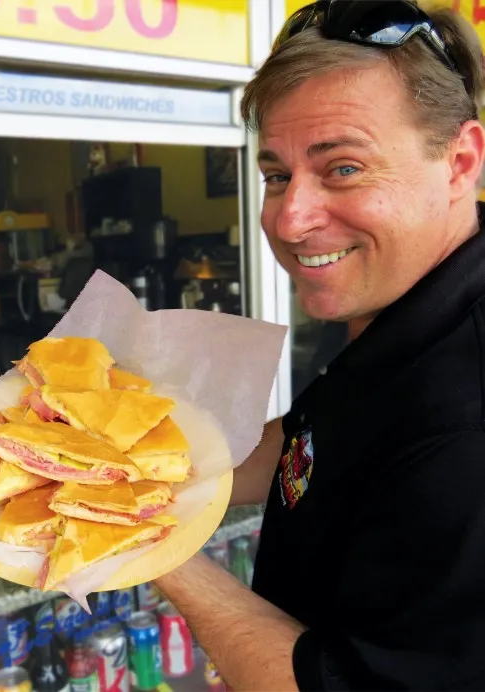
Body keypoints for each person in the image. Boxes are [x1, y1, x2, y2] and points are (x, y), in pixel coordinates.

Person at [154, 1, 485, 689]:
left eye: (342, 169)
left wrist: (146, 549)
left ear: (459, 162)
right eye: (276, 175)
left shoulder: (465, 424)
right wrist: (146, 474)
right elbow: (316, 440)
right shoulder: (405, 311)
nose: (288, 219)